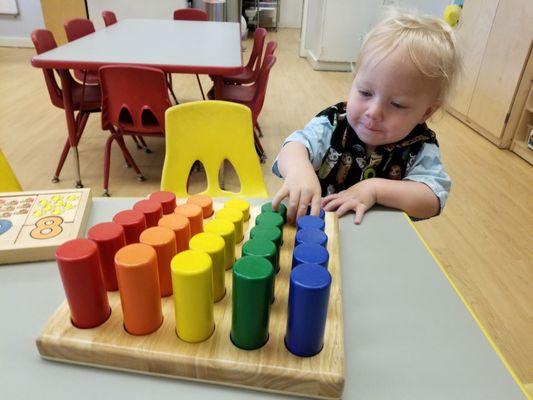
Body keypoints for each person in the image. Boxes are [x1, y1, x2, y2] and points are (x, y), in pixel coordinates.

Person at [271, 12, 460, 224]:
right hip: (316, 231)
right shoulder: (334, 123)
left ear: (426, 112)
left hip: (378, 239)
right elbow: (294, 145)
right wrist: (298, 169)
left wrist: (375, 189)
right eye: (365, 93)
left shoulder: (420, 146)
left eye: (397, 104)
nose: (373, 112)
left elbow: (432, 198)